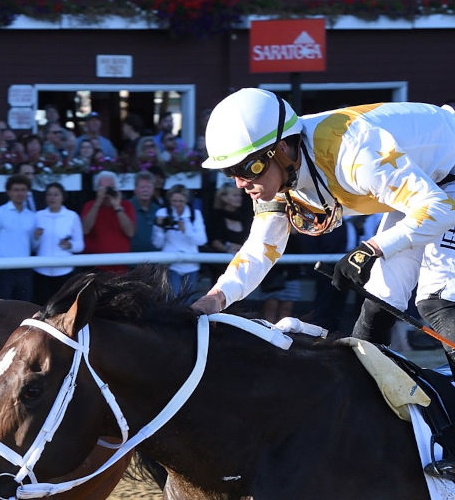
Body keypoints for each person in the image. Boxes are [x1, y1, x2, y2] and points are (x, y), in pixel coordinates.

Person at [191, 89, 455, 364]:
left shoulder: (353, 154)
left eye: (248, 168)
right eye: (229, 172)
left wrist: (370, 249)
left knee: (438, 300)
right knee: (381, 301)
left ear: (281, 150)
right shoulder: (282, 176)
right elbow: (261, 249)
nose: (240, 183)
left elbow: (440, 210)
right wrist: (217, 297)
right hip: (432, 184)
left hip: (446, 184)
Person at [0, 174, 37, 302]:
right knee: (2, 309)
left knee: (23, 308)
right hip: (3, 269)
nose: (20, 193)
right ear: (9, 192)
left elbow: (33, 245)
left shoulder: (32, 216)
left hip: (25, 270)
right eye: (16, 190)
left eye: (23, 190)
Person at [30, 181, 84, 305]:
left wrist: (69, 245)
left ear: (62, 197)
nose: (52, 198)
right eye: (49, 194)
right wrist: (36, 237)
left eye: (56, 194)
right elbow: (33, 246)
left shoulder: (72, 216)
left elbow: (80, 246)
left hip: (64, 271)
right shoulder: (38, 216)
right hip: (41, 271)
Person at [152, 184, 207, 296]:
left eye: (181, 201)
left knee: (189, 300)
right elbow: (157, 244)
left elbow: (202, 240)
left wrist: (186, 231)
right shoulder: (162, 213)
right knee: (172, 298)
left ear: (186, 200)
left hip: (191, 264)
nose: (177, 204)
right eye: (174, 201)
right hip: (170, 264)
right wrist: (159, 227)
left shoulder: (195, 215)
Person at [81, 170, 135, 272]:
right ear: (97, 190)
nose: (106, 192)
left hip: (120, 265)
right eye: (103, 188)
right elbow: (85, 230)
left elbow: (130, 232)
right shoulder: (90, 205)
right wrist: (97, 203)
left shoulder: (126, 205)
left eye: (110, 188)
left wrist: (117, 206)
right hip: (95, 266)